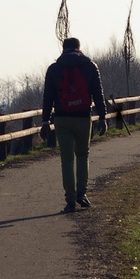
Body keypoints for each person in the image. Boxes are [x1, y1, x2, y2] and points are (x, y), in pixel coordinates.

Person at [40, 37, 107, 213]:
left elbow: (48, 97)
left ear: (63, 49)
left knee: (67, 159)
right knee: (83, 154)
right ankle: (81, 193)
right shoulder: (90, 66)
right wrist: (102, 117)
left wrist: (45, 120)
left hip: (62, 119)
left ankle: (70, 200)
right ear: (79, 48)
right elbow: (98, 93)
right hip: (84, 117)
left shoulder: (54, 69)